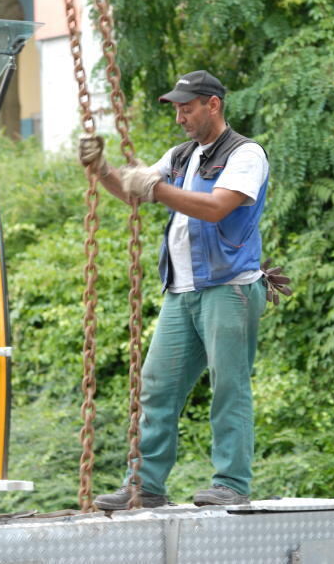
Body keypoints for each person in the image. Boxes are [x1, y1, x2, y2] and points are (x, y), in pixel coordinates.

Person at [79, 70, 269, 510]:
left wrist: (156, 188)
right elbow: (135, 190)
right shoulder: (181, 156)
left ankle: (231, 483)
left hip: (229, 289)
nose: (180, 116)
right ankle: (145, 486)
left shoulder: (246, 154)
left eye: (188, 107)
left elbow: (217, 208)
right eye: (177, 108)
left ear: (213, 105)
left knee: (229, 386)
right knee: (156, 387)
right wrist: (102, 169)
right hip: (181, 292)